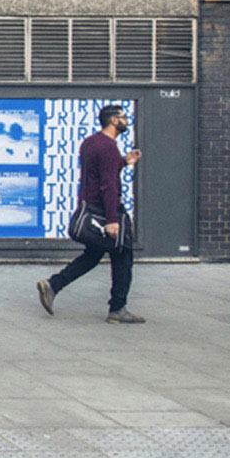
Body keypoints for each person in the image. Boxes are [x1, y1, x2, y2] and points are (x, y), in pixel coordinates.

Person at [37, 104, 144, 323]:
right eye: (123, 117)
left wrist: (124, 162)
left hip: (91, 208)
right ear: (114, 120)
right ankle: (117, 309)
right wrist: (113, 220)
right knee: (123, 255)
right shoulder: (107, 146)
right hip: (104, 213)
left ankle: (53, 285)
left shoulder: (91, 143)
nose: (126, 120)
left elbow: (98, 174)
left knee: (93, 255)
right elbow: (108, 185)